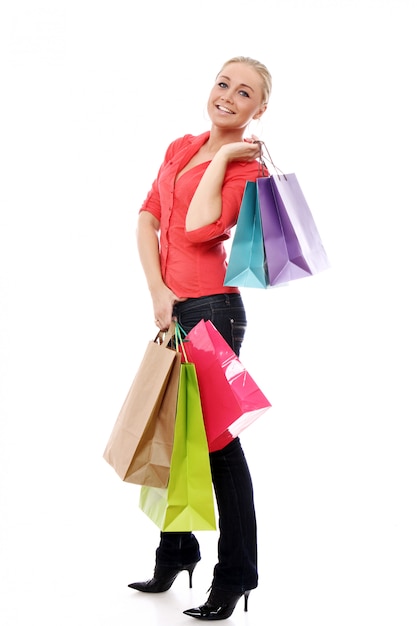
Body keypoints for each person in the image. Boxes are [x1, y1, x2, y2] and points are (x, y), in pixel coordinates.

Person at [128, 56, 272, 621]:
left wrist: (229, 155)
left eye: (244, 94)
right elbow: (146, 218)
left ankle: (236, 576)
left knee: (216, 445)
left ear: (259, 110)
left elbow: (197, 228)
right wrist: (158, 293)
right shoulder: (180, 145)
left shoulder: (247, 173)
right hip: (173, 308)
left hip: (214, 312)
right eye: (223, 83)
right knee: (175, 432)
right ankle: (177, 552)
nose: (228, 96)